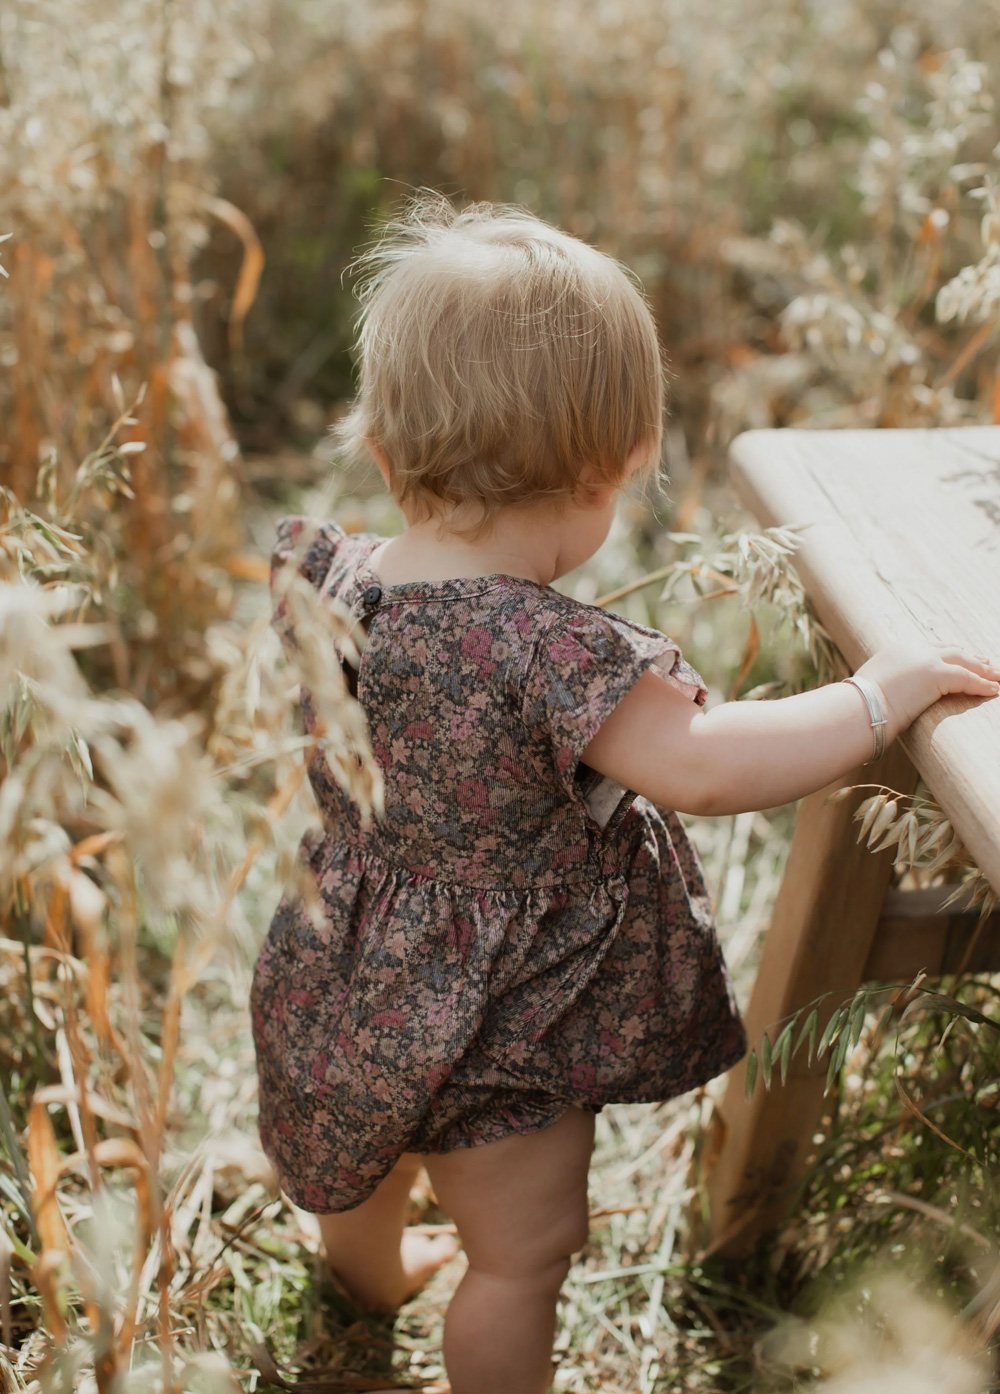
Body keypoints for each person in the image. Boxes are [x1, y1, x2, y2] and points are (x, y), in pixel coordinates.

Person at [249, 194, 1000, 1394]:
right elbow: (708, 764)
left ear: (384, 443)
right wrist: (876, 695)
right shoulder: (548, 654)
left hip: (340, 964)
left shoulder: (324, 574)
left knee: (364, 1151)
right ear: (607, 469)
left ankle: (366, 1277)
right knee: (520, 1260)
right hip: (499, 1024)